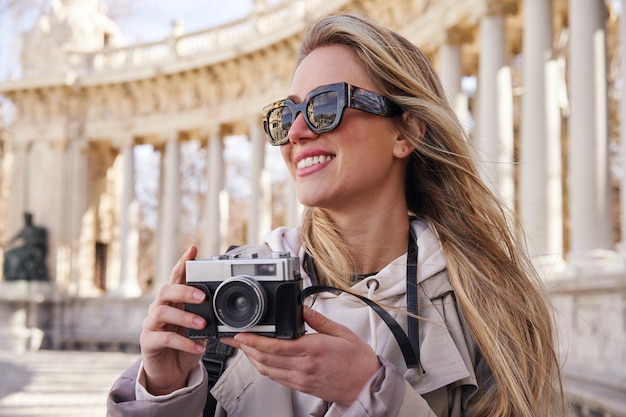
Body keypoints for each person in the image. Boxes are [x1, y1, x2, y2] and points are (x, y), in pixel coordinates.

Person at [107, 14, 566, 417]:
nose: (298, 133)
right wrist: (163, 391)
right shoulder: (232, 287)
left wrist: (369, 393)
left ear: (405, 131)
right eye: (285, 117)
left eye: (325, 107)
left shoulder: (490, 305)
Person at [3, 211, 49, 281]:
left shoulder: (36, 230)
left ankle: (25, 274)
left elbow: (40, 241)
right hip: (24, 248)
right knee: (8, 253)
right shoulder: (24, 230)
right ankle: (11, 275)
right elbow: (13, 239)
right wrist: (5, 244)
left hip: (33, 248)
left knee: (30, 255)